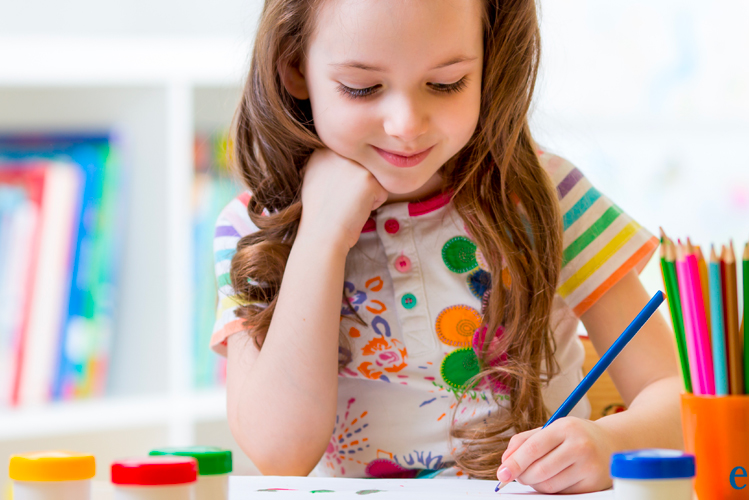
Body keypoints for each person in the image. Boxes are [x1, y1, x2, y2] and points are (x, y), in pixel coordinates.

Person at [210, 0, 683, 493]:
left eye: (445, 83)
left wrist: (608, 444)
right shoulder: (252, 233)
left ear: (491, 58)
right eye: (362, 87)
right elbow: (279, 453)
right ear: (294, 67)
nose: (406, 124)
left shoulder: (546, 197)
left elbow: (675, 399)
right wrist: (321, 235)